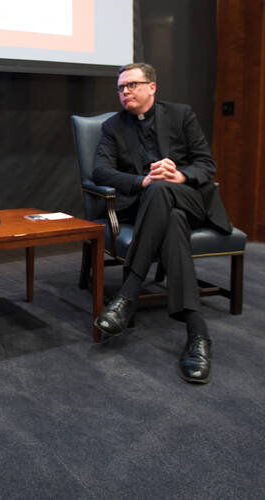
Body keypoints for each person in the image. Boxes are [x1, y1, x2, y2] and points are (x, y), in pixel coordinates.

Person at [92, 63, 233, 384]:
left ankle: (128, 294)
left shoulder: (181, 115)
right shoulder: (113, 127)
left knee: (165, 193)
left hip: (190, 198)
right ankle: (198, 334)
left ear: (152, 87)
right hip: (152, 207)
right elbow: (100, 170)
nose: (124, 92)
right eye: (120, 88)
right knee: (170, 217)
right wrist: (143, 181)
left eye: (132, 85)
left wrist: (180, 175)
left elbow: (206, 164)